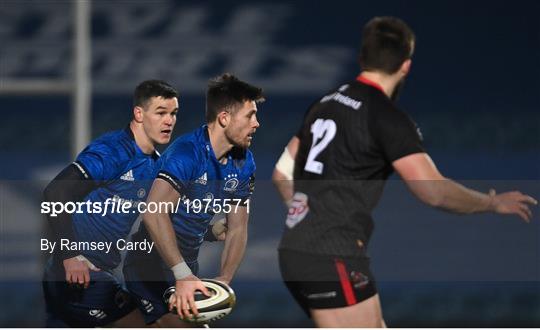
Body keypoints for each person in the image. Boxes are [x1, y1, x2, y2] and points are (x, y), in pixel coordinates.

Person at [273, 16, 537, 328]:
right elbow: (433, 191)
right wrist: (491, 203)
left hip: (298, 251)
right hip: (332, 256)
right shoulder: (386, 117)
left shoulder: (325, 104)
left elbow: (280, 173)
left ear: (362, 58)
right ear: (406, 66)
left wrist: (304, 214)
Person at [123, 73, 263, 326]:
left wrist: (225, 278)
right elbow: (154, 212)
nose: (257, 123)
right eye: (250, 115)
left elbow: (238, 226)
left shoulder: (245, 162)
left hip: (187, 264)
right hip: (150, 264)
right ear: (224, 118)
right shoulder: (187, 153)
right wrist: (182, 274)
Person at [42, 80, 179, 327]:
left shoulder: (156, 165)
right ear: (139, 113)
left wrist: (212, 231)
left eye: (173, 113)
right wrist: (70, 255)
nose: (169, 121)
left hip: (100, 273)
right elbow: (55, 192)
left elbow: (163, 218)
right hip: (75, 273)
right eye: (161, 113)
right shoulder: (112, 151)